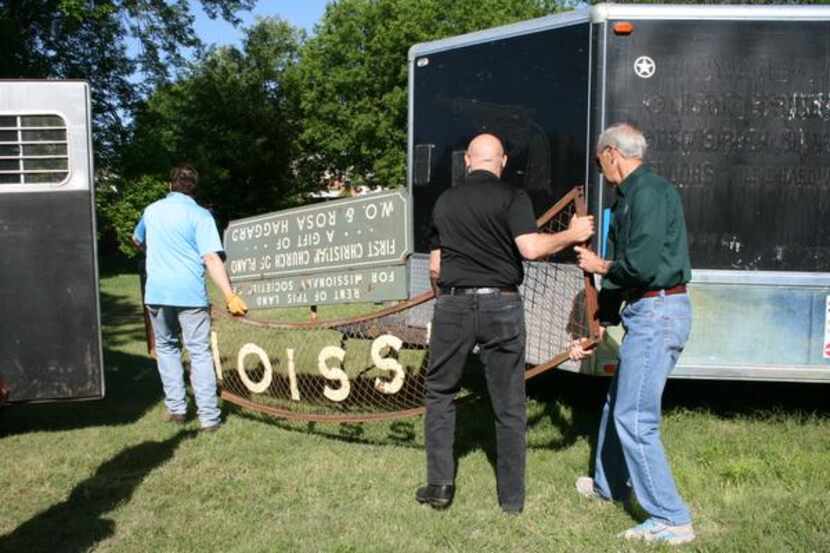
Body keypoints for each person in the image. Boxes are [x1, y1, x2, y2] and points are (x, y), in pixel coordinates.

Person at [416, 133, 594, 513]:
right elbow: (530, 249)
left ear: (467, 161)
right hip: (502, 305)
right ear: (502, 161)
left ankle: (440, 486)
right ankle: (511, 500)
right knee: (509, 404)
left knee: (440, 393)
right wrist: (573, 234)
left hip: (453, 305)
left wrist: (448, 299)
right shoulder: (514, 197)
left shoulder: (445, 200)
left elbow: (435, 265)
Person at [572, 123, 695, 545]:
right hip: (646, 310)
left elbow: (637, 266)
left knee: (636, 418)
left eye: (598, 159)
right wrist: (601, 320)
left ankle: (671, 518)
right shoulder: (630, 196)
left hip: (659, 311)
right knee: (616, 405)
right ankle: (608, 487)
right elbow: (627, 273)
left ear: (611, 153)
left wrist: (598, 265)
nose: (599, 166)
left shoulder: (649, 193)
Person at [133, 164, 248, 432]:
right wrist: (230, 295)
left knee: (167, 348)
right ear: (194, 188)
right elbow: (210, 258)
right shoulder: (201, 215)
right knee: (199, 352)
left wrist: (154, 249)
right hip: (190, 296)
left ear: (169, 184)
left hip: (157, 293)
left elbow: (136, 240)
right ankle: (209, 419)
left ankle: (177, 409)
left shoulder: (151, 211)